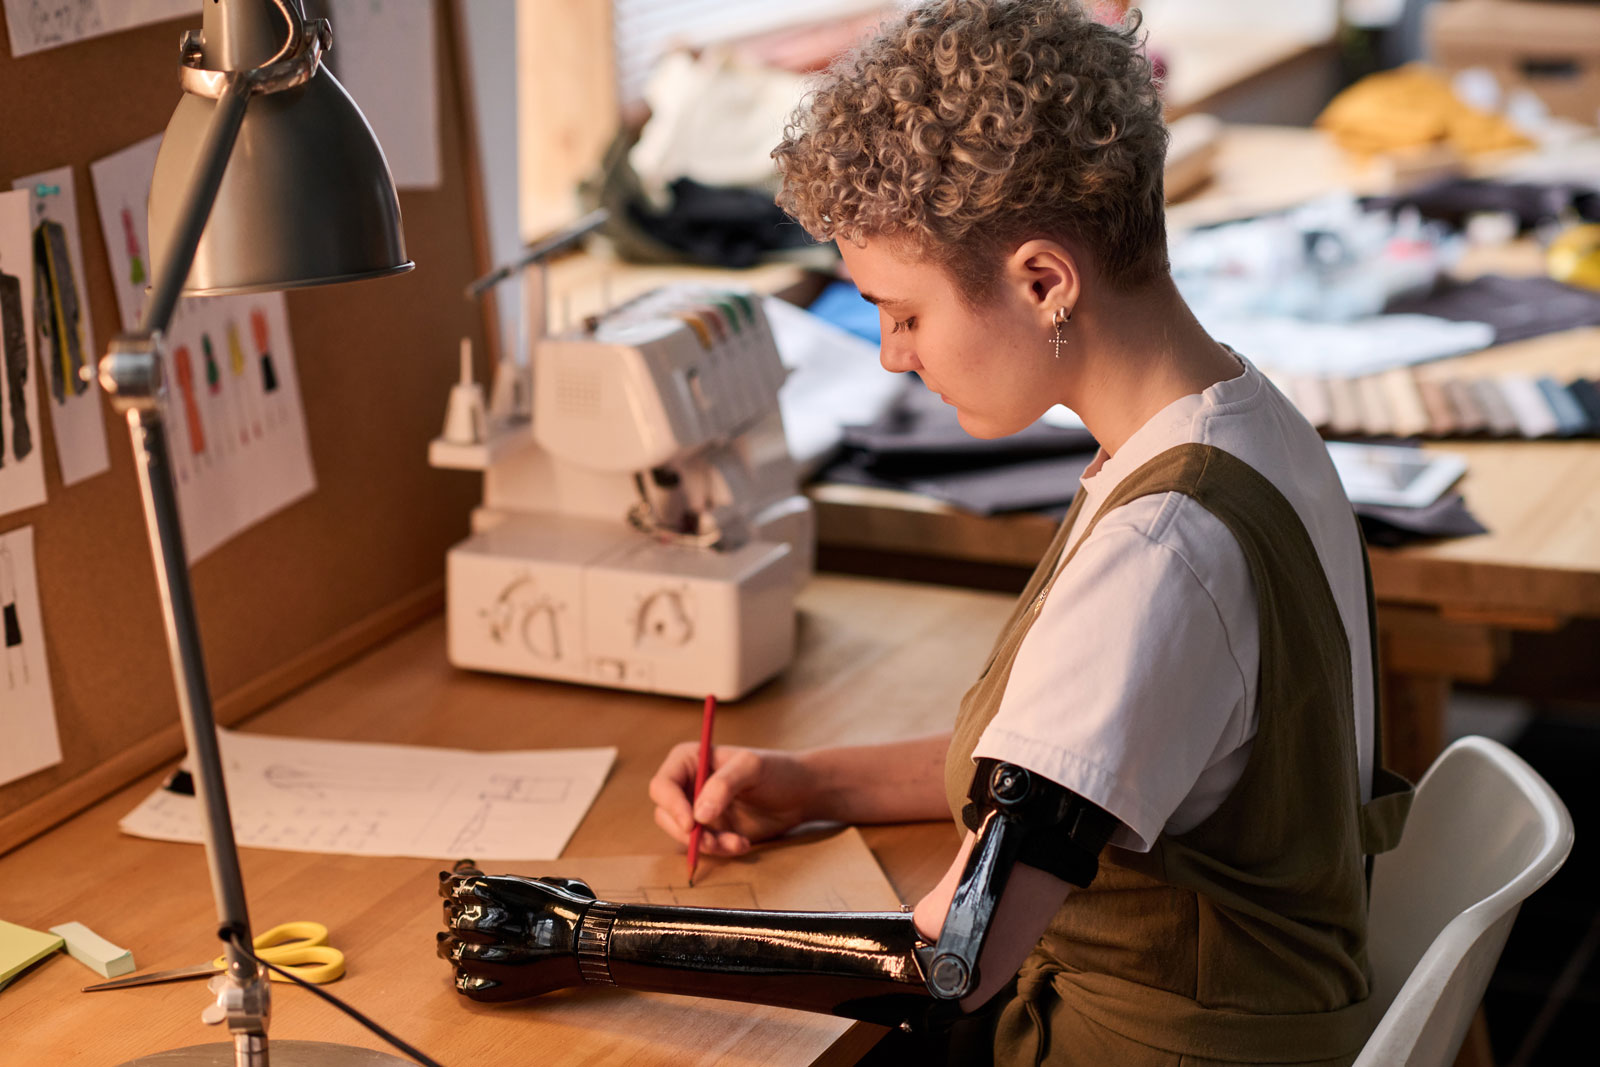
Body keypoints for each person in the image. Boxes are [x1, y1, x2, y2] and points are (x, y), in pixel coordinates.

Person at [439, 3, 1412, 1063]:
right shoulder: (1249, 424)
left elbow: (949, 960)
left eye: (903, 312)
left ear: (1043, 280)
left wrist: (577, 934)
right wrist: (816, 783)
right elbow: (1087, 757)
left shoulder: (1162, 550)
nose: (893, 355)